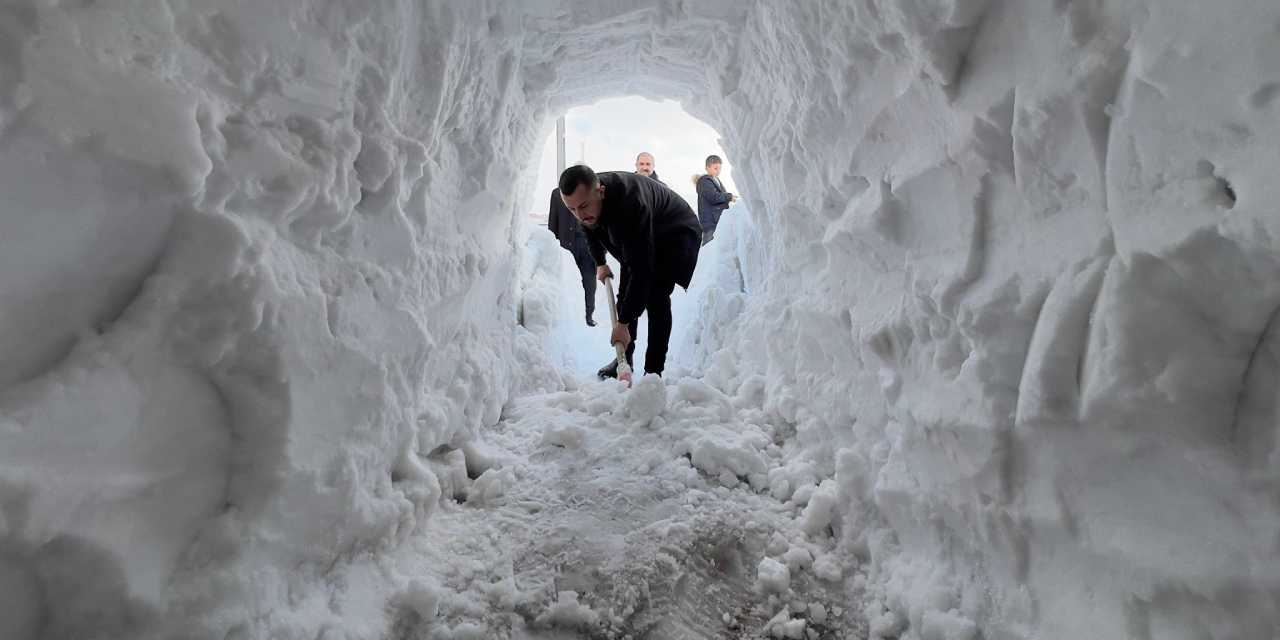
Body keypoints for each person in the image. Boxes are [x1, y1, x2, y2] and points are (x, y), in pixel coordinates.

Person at [558, 165, 702, 378]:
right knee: (625, 296)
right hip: (641, 232)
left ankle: (653, 371)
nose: (579, 214)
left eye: (584, 206)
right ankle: (624, 359)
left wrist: (623, 323)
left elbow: (642, 270)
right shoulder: (586, 201)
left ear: (601, 192)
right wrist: (600, 263)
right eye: (572, 209)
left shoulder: (630, 205)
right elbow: (588, 227)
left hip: (675, 233)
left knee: (656, 297)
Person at [547, 187, 598, 326]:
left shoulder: (594, 191)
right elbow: (553, 220)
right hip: (567, 244)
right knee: (568, 280)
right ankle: (569, 316)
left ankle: (588, 316)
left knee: (589, 282)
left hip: (588, 245)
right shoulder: (557, 193)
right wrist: (552, 244)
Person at [695, 154, 735, 245]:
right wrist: (729, 196)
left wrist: (729, 198)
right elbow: (714, 197)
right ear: (707, 168)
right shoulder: (704, 181)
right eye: (715, 168)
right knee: (709, 249)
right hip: (711, 224)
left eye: (720, 168)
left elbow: (721, 196)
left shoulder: (716, 180)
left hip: (717, 222)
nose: (718, 171)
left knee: (716, 250)